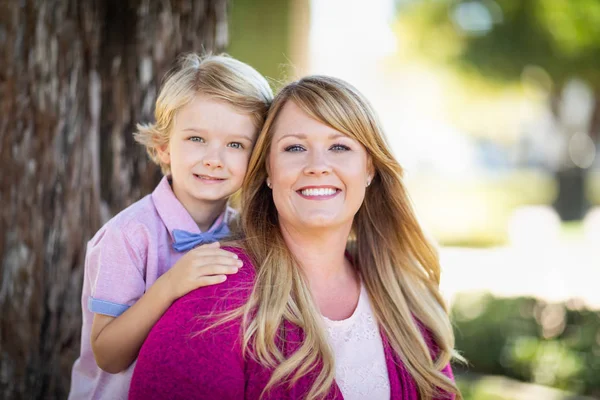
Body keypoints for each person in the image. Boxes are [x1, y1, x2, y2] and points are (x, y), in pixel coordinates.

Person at [129, 75, 462, 400]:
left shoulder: (407, 299)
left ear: (370, 169)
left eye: (339, 146)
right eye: (295, 147)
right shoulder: (215, 302)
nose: (317, 165)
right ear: (268, 172)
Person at [68, 53, 273, 400]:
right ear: (163, 147)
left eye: (236, 144)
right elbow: (108, 354)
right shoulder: (129, 236)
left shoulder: (246, 236)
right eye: (196, 139)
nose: (213, 158)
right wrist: (170, 285)